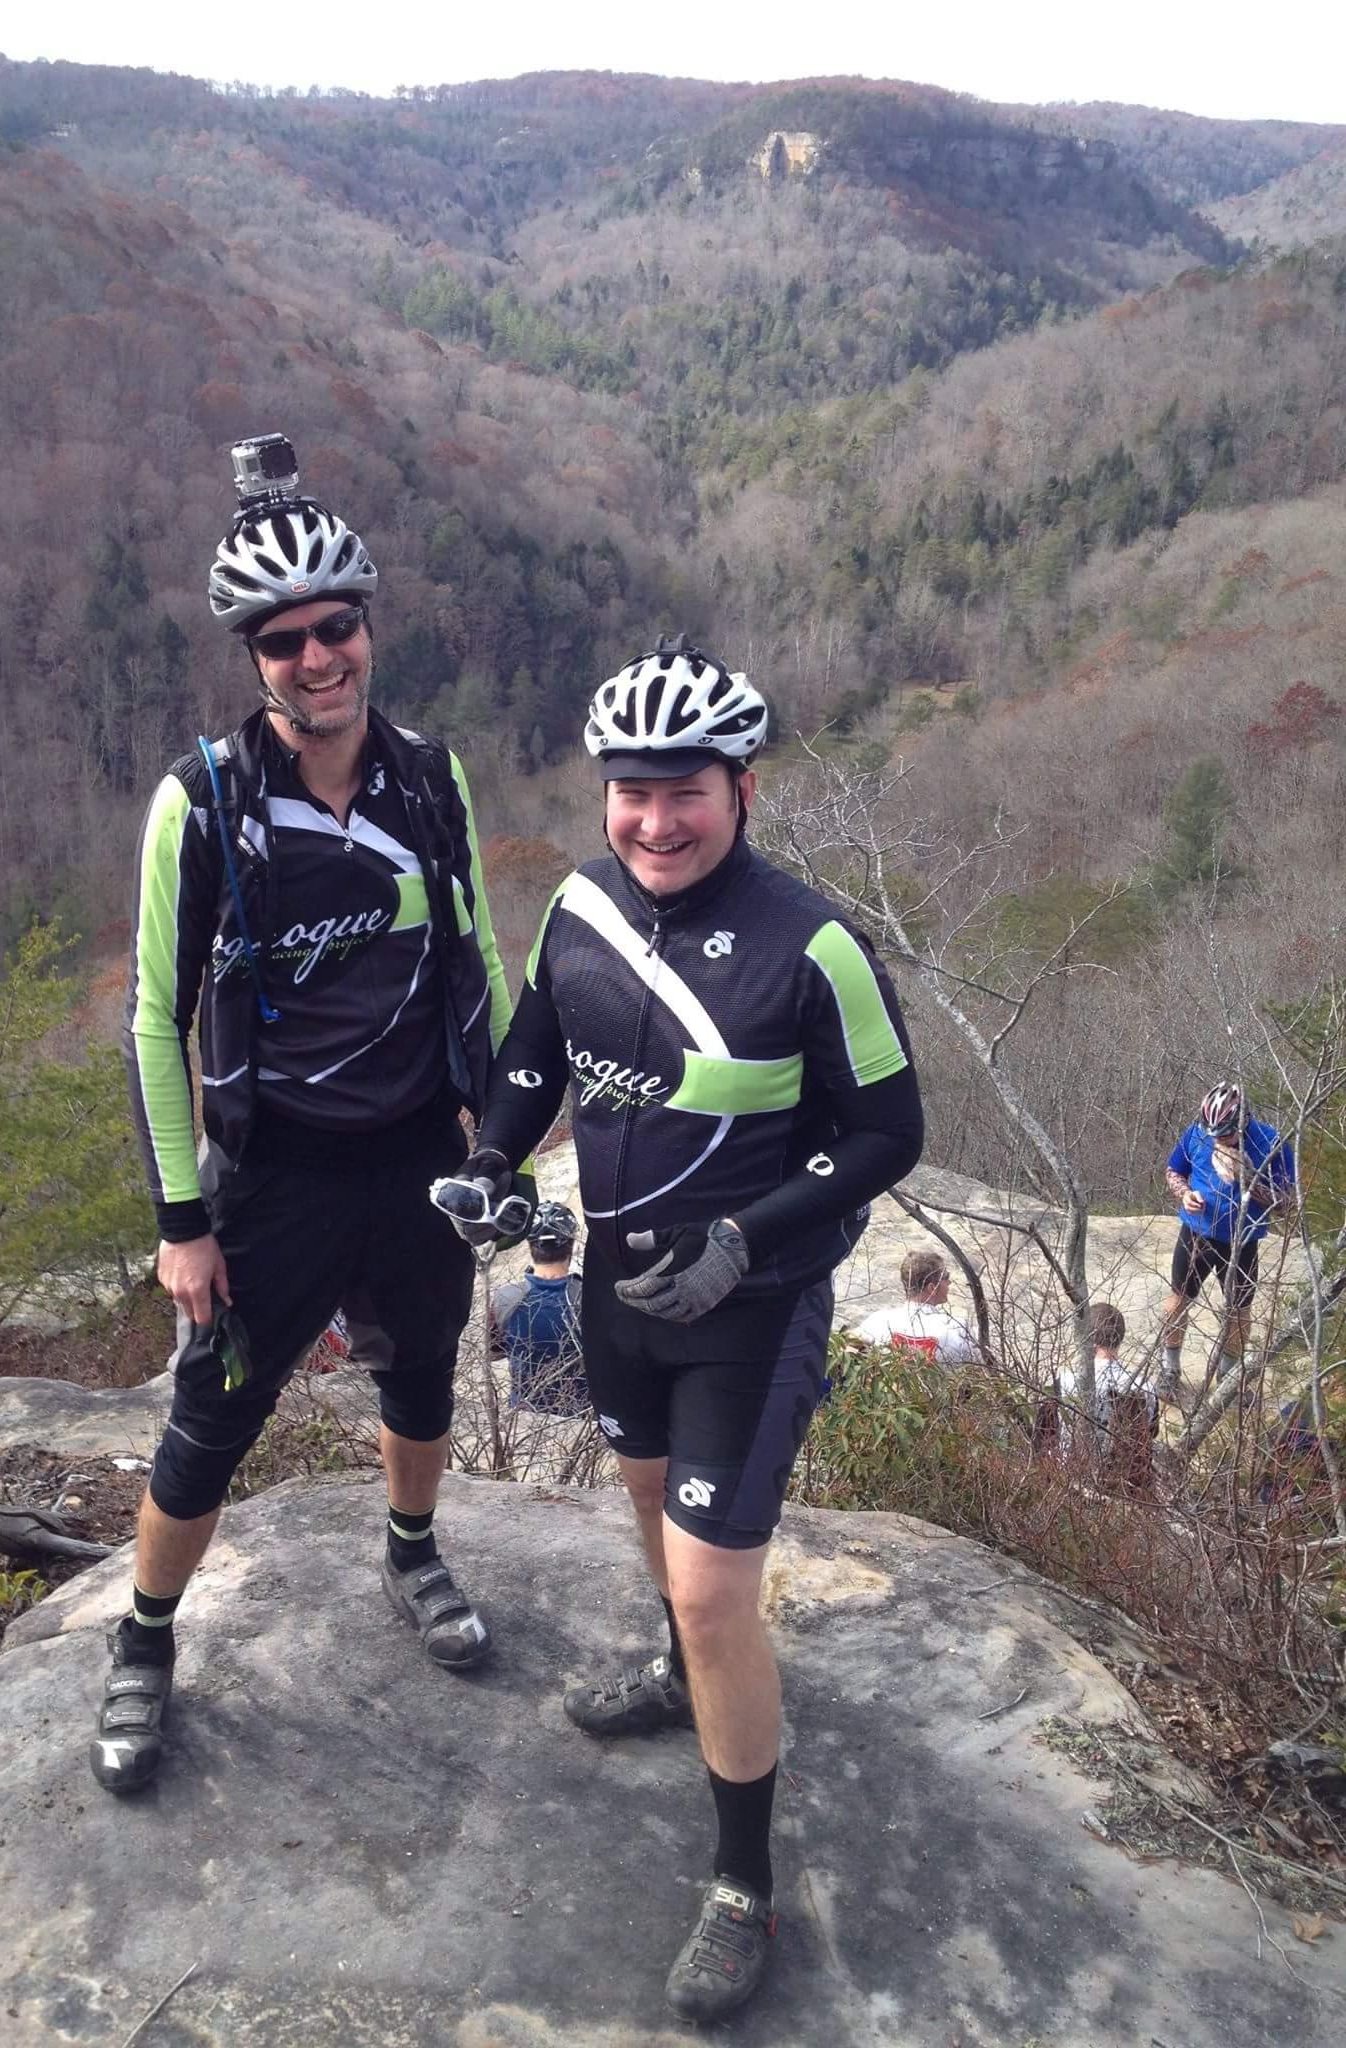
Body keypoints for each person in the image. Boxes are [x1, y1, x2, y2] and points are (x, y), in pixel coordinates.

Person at [431, 635, 923, 2021]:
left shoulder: (813, 947)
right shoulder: (583, 907)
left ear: (742, 785)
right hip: (615, 1288)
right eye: (630, 789)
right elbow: (536, 1054)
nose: (653, 818)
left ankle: (739, 1883)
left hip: (746, 1313)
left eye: (684, 788)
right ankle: (677, 1665)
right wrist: (497, 1158)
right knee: (649, 1512)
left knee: (717, 1589)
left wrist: (751, 1239)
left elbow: (890, 1128)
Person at [94, 433, 521, 1794]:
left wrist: (498, 1130)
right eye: (282, 642)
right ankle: (145, 1641)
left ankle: (411, 1549)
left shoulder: (429, 779)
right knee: (212, 1416)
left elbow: (479, 954)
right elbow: (155, 1016)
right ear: (252, 657)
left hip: (414, 1158)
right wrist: (180, 1219)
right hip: (268, 1175)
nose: (317, 657)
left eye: (337, 627)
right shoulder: (205, 802)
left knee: (421, 1371)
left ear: (369, 629)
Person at [1159, 1083, 1296, 1401]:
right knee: (1178, 1300)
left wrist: (1246, 1176)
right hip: (1196, 1233)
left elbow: (1287, 1202)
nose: (1217, 1139)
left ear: (1243, 1120)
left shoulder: (1271, 1142)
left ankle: (1228, 1376)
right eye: (1213, 1132)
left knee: (1238, 1310)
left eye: (1224, 1133)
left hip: (1243, 1239)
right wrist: (1185, 1193)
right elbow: (1173, 1170)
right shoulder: (1196, 1133)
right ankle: (1170, 1369)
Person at [490, 1201, 587, 1416]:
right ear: (571, 1245)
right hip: (581, 1415)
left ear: (530, 1245)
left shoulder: (505, 1297)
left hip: (525, 1414)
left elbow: (494, 1352)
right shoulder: (588, 1297)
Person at [852, 1249, 981, 1365]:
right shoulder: (958, 1328)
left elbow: (845, 1348)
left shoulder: (878, 1321)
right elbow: (980, 1371)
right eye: (946, 1277)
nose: (950, 1282)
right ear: (932, 1288)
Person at [1088, 1301, 1155, 1495]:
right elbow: (1149, 1434)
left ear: (1087, 1337)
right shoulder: (1145, 1387)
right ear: (1121, 1337)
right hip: (1127, 1484)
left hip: (1069, 1477)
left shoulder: (1063, 1382)